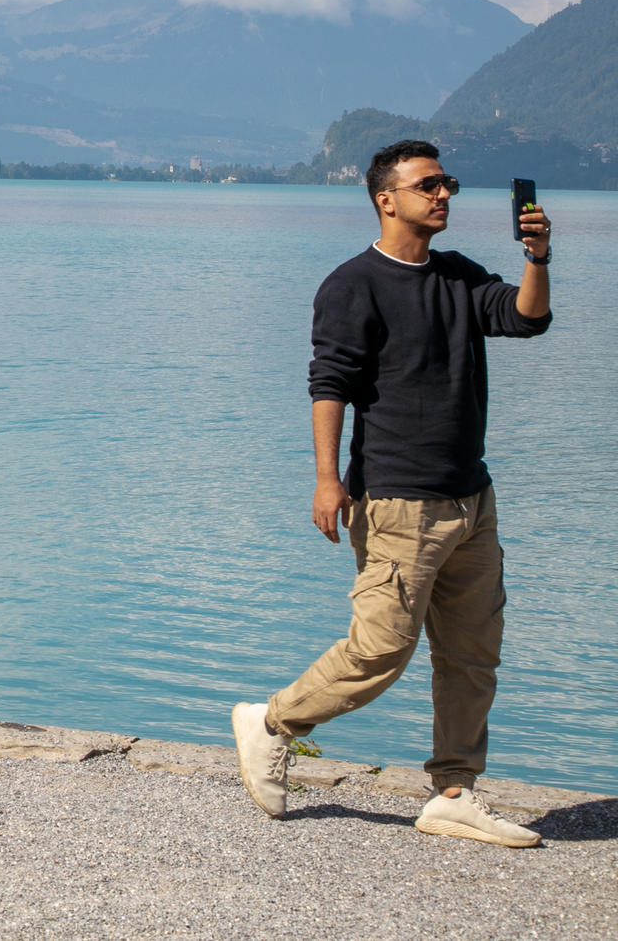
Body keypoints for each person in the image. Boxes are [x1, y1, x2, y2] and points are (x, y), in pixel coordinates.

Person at [231, 140, 553, 848]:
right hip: (398, 500)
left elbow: (526, 319)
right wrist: (326, 479)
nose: (443, 195)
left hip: (471, 497)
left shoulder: (459, 276)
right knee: (380, 649)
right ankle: (272, 721)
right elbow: (330, 385)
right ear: (386, 198)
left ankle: (454, 792)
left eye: (449, 184)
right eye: (428, 185)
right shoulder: (353, 284)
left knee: (473, 655)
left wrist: (537, 257)